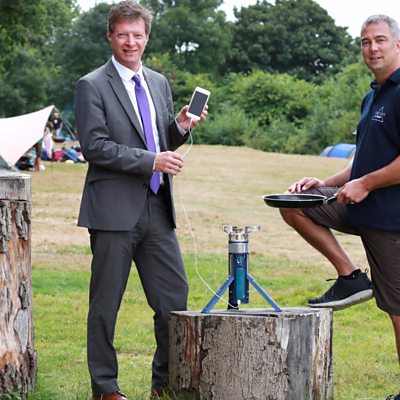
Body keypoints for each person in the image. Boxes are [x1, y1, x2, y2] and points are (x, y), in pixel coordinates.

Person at [74, 2, 207, 400]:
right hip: (112, 210)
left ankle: (163, 386)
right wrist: (152, 161)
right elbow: (94, 146)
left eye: (137, 35)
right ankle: (106, 388)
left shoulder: (158, 82)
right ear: (110, 37)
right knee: (105, 306)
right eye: (122, 34)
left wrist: (179, 126)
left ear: (147, 38)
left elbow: (160, 139)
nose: (130, 42)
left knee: (173, 302)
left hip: (157, 209)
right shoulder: (91, 85)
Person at [279, 15, 400, 400]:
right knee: (294, 205)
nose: (372, 48)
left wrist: (366, 184)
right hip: (358, 206)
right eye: (365, 42)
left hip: (390, 219)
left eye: (380, 40)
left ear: (398, 44)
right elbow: (362, 160)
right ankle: (350, 278)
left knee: (398, 312)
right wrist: (325, 184)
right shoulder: (372, 95)